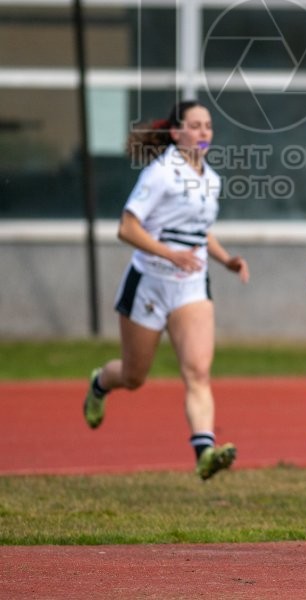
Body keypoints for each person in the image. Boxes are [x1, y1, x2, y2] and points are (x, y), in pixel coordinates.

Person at [82, 100, 249, 481]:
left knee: (198, 373)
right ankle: (99, 383)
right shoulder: (161, 173)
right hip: (149, 284)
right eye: (195, 125)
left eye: (208, 125)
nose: (204, 132)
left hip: (191, 285)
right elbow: (127, 228)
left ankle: (204, 451)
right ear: (176, 132)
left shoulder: (210, 177)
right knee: (133, 376)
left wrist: (226, 260)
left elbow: (198, 230)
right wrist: (170, 255)